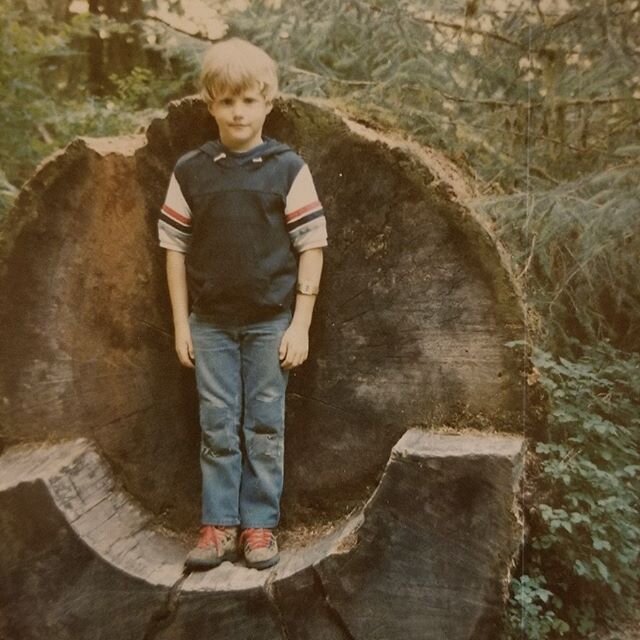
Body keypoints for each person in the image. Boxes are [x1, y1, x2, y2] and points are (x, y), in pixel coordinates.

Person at [157, 38, 327, 571]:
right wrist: (182, 322)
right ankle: (218, 526)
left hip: (269, 322)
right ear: (209, 103)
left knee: (264, 425)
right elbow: (174, 249)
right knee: (217, 423)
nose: (237, 111)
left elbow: (312, 246)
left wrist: (299, 324)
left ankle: (258, 526)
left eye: (249, 100)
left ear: (268, 102)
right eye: (227, 101)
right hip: (209, 324)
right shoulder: (191, 170)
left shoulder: (287, 167)